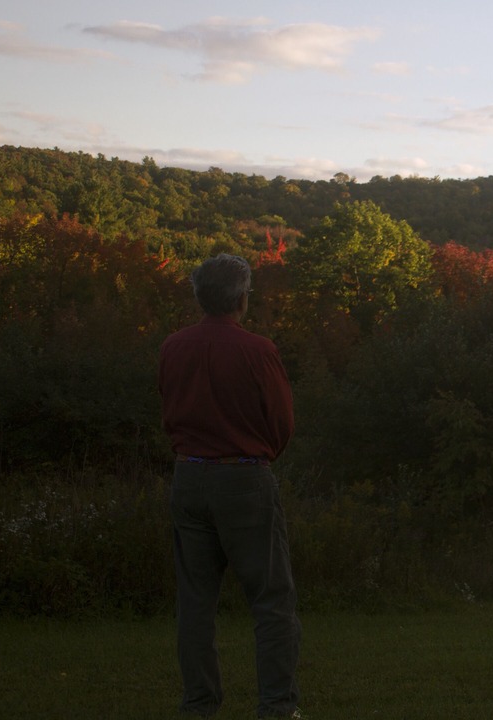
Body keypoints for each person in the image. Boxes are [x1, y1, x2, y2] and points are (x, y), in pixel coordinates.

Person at [158, 253, 302, 719]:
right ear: (241, 299)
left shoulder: (173, 347)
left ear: (201, 297)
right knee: (271, 599)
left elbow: (169, 413)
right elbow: (281, 422)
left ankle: (198, 705)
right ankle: (276, 708)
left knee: (195, 602)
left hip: (188, 477)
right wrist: (257, 456)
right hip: (243, 478)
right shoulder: (258, 350)